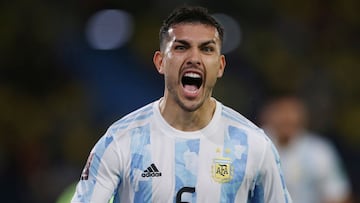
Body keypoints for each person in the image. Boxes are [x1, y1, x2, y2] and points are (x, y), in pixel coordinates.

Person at [71, 6, 292, 203]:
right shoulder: (121, 140)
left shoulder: (253, 144)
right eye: (181, 47)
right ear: (160, 62)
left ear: (221, 66)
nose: (194, 57)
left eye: (206, 49)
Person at [259, 94, 352, 203]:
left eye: (291, 111)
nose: (287, 118)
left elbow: (338, 194)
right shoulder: (254, 145)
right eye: (281, 111)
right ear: (267, 114)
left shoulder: (319, 151)